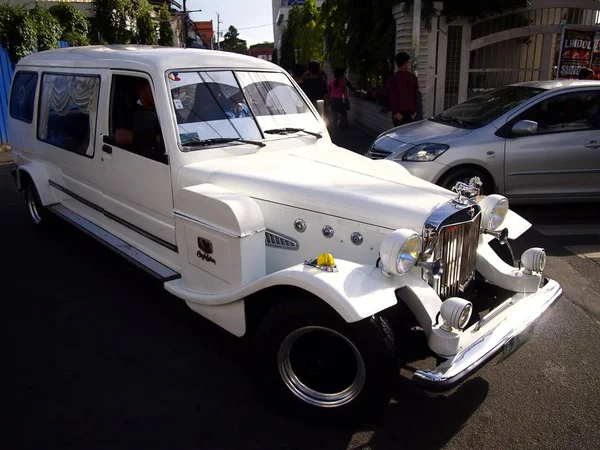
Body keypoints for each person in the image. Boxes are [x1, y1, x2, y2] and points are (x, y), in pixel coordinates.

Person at [116, 78, 162, 154]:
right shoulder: (131, 112)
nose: (157, 92)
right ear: (140, 91)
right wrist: (154, 138)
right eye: (152, 88)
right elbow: (120, 137)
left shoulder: (165, 108)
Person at [387, 51, 419, 127]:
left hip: (399, 113)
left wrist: (395, 112)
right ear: (406, 63)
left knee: (398, 135)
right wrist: (415, 111)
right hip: (411, 113)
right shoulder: (413, 78)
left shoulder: (393, 78)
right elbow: (416, 95)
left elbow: (392, 97)